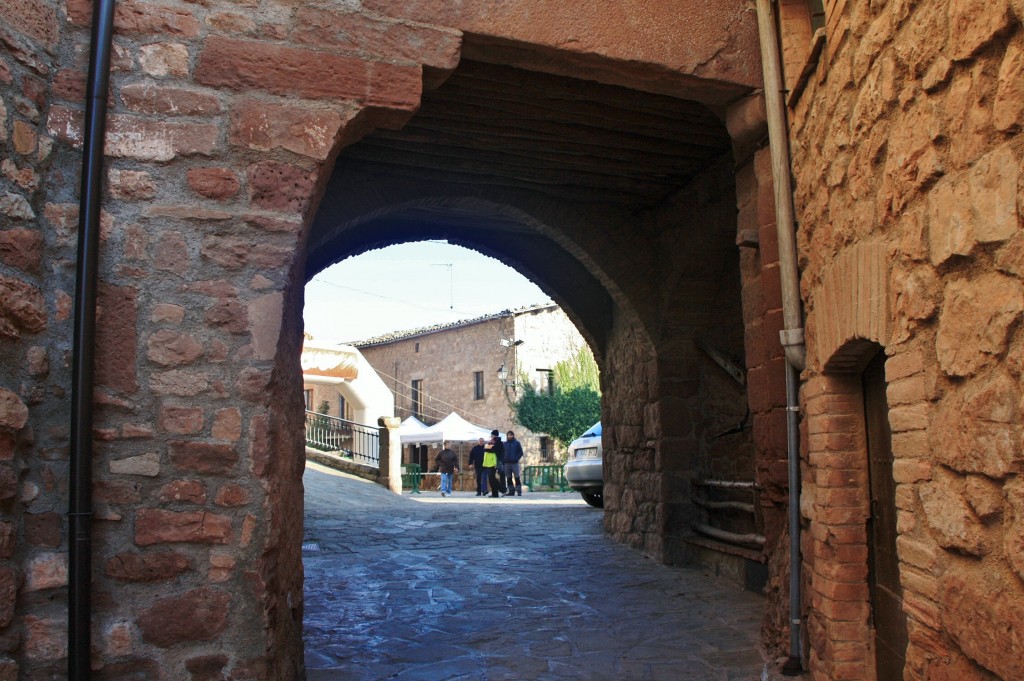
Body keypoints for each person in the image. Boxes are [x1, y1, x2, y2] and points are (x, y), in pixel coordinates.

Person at [483, 430, 505, 498]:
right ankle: (495, 493)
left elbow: (494, 450)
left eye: (492, 435)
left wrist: (486, 449)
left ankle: (503, 489)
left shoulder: (499, 442)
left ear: (494, 436)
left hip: (495, 462)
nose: (491, 437)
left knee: (492, 478)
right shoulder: (492, 442)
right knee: (491, 478)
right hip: (490, 462)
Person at [502, 430, 524, 497]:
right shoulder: (505, 444)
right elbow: (502, 453)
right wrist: (503, 460)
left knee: (517, 477)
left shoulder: (517, 443)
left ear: (513, 435)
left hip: (514, 463)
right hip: (506, 463)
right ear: (507, 436)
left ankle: (519, 491)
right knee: (508, 478)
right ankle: (511, 491)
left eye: (511, 435)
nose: (510, 436)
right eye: (508, 435)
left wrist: (516, 458)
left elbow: (520, 452)